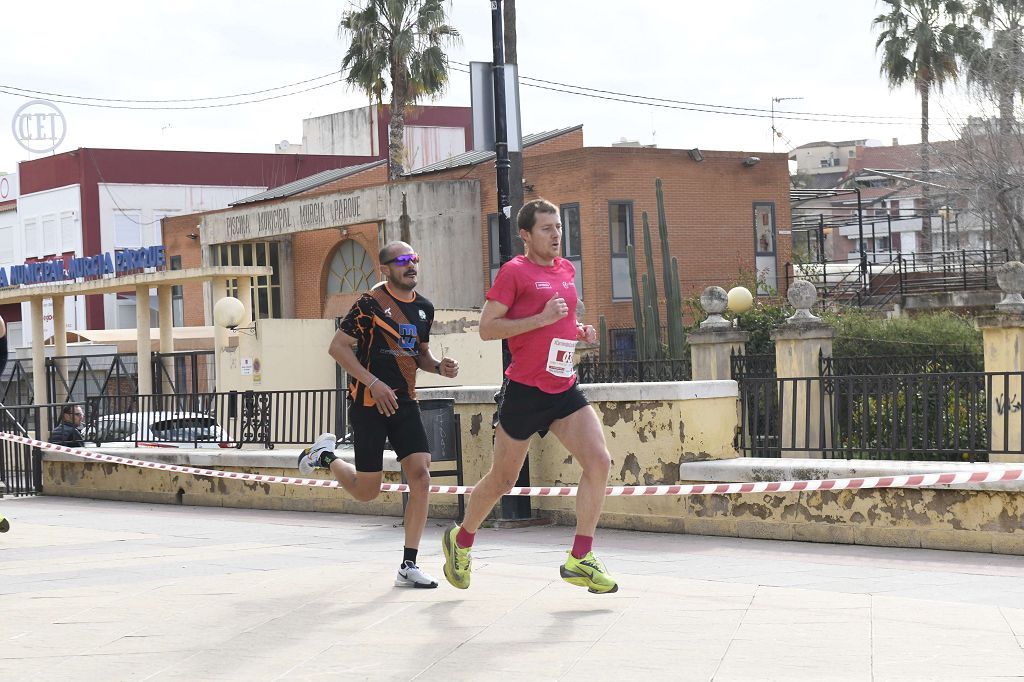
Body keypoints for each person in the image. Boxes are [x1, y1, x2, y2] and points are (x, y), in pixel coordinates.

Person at [441, 199, 617, 594]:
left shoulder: (567, 270)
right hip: (524, 391)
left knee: (599, 461)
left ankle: (580, 558)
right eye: (546, 229)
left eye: (558, 227)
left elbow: (561, 320)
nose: (556, 235)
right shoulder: (514, 273)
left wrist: (578, 331)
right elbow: (487, 328)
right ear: (525, 234)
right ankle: (461, 540)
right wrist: (542, 319)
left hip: (563, 387)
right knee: (503, 480)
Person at [298, 240, 459, 589]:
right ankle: (324, 456)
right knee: (366, 492)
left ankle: (409, 564)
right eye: (402, 260)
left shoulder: (424, 310)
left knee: (420, 474)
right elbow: (337, 348)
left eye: (414, 258)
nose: (411, 264)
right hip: (368, 403)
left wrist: (439, 367)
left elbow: (419, 356)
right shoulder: (369, 305)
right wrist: (372, 382)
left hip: (405, 402)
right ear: (384, 269)